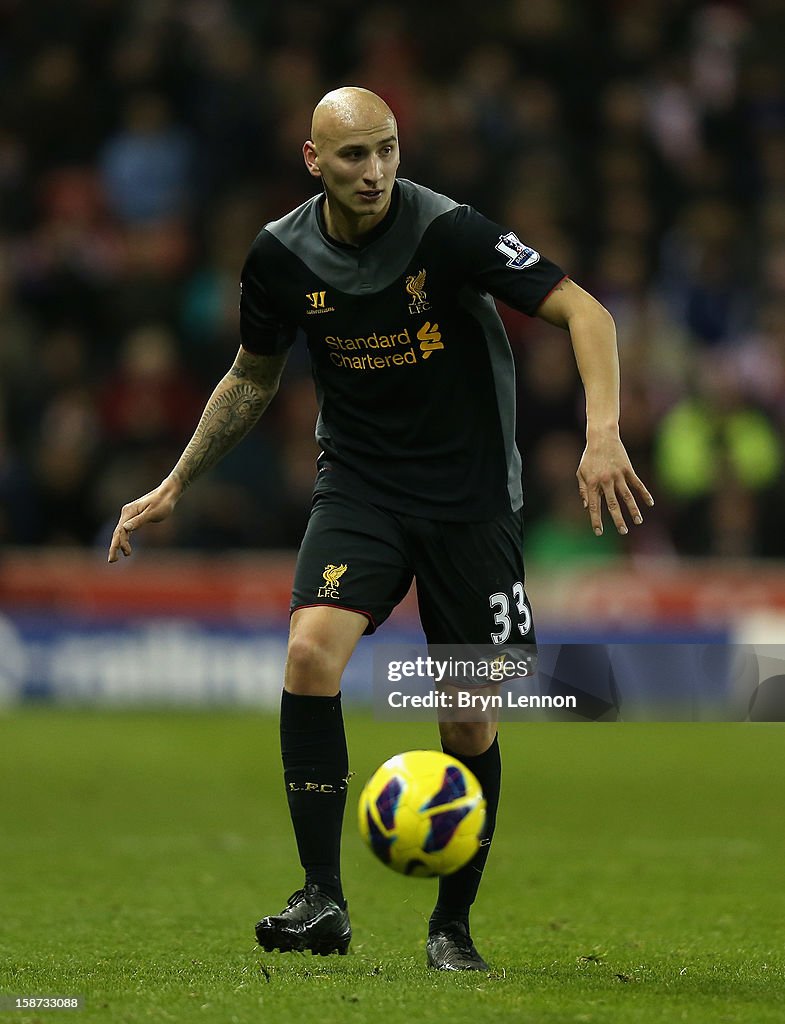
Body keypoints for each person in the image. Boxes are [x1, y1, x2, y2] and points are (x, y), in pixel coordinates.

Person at [108, 87, 653, 971]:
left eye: (388, 150)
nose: (376, 172)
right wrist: (178, 479)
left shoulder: (448, 232)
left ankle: (452, 928)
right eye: (355, 155)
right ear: (313, 161)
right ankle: (321, 896)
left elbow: (584, 310)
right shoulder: (280, 256)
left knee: (467, 719)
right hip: (358, 488)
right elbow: (251, 377)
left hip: (471, 501)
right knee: (307, 655)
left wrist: (601, 434)